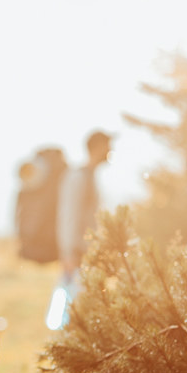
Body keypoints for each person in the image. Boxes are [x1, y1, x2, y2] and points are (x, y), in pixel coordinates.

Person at [48, 130, 112, 328]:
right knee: (73, 307)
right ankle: (66, 351)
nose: (111, 151)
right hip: (76, 254)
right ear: (98, 147)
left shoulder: (92, 177)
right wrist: (67, 252)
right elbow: (68, 216)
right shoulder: (77, 177)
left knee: (85, 305)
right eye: (108, 146)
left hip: (89, 254)